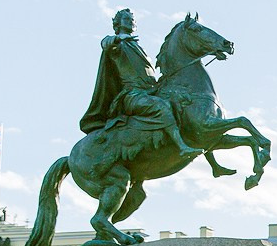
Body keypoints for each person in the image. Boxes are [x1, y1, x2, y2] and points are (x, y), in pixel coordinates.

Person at [80, 8, 198, 162]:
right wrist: (115, 39)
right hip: (133, 96)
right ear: (118, 23)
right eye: (127, 19)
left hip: (149, 91)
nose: (131, 22)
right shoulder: (119, 44)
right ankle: (181, 146)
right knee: (162, 107)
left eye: (132, 20)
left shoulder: (136, 45)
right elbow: (106, 44)